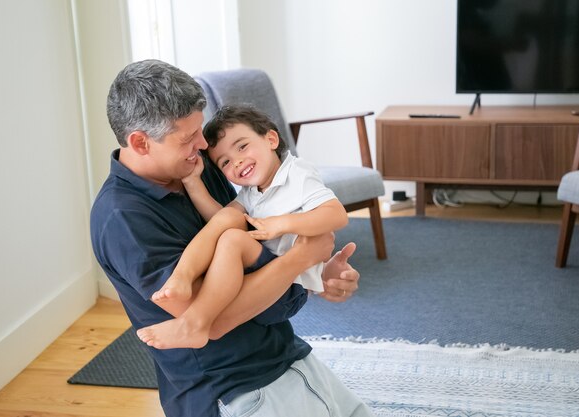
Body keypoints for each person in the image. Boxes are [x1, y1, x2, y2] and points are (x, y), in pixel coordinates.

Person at [90, 59, 373, 417]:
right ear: (140, 142)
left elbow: (259, 248)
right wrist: (300, 258)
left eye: (200, 129)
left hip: (282, 353)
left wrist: (317, 277)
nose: (203, 143)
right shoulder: (122, 220)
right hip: (234, 388)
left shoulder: (199, 165)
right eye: (188, 137)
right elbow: (214, 320)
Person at [135, 105, 349, 349]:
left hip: (289, 289)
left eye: (242, 146)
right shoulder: (251, 192)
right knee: (227, 220)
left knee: (232, 239)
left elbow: (336, 215)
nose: (236, 162)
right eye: (225, 162)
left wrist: (282, 224)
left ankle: (195, 323)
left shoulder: (297, 173)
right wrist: (193, 183)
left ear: (270, 139)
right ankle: (183, 276)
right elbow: (220, 218)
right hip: (261, 272)